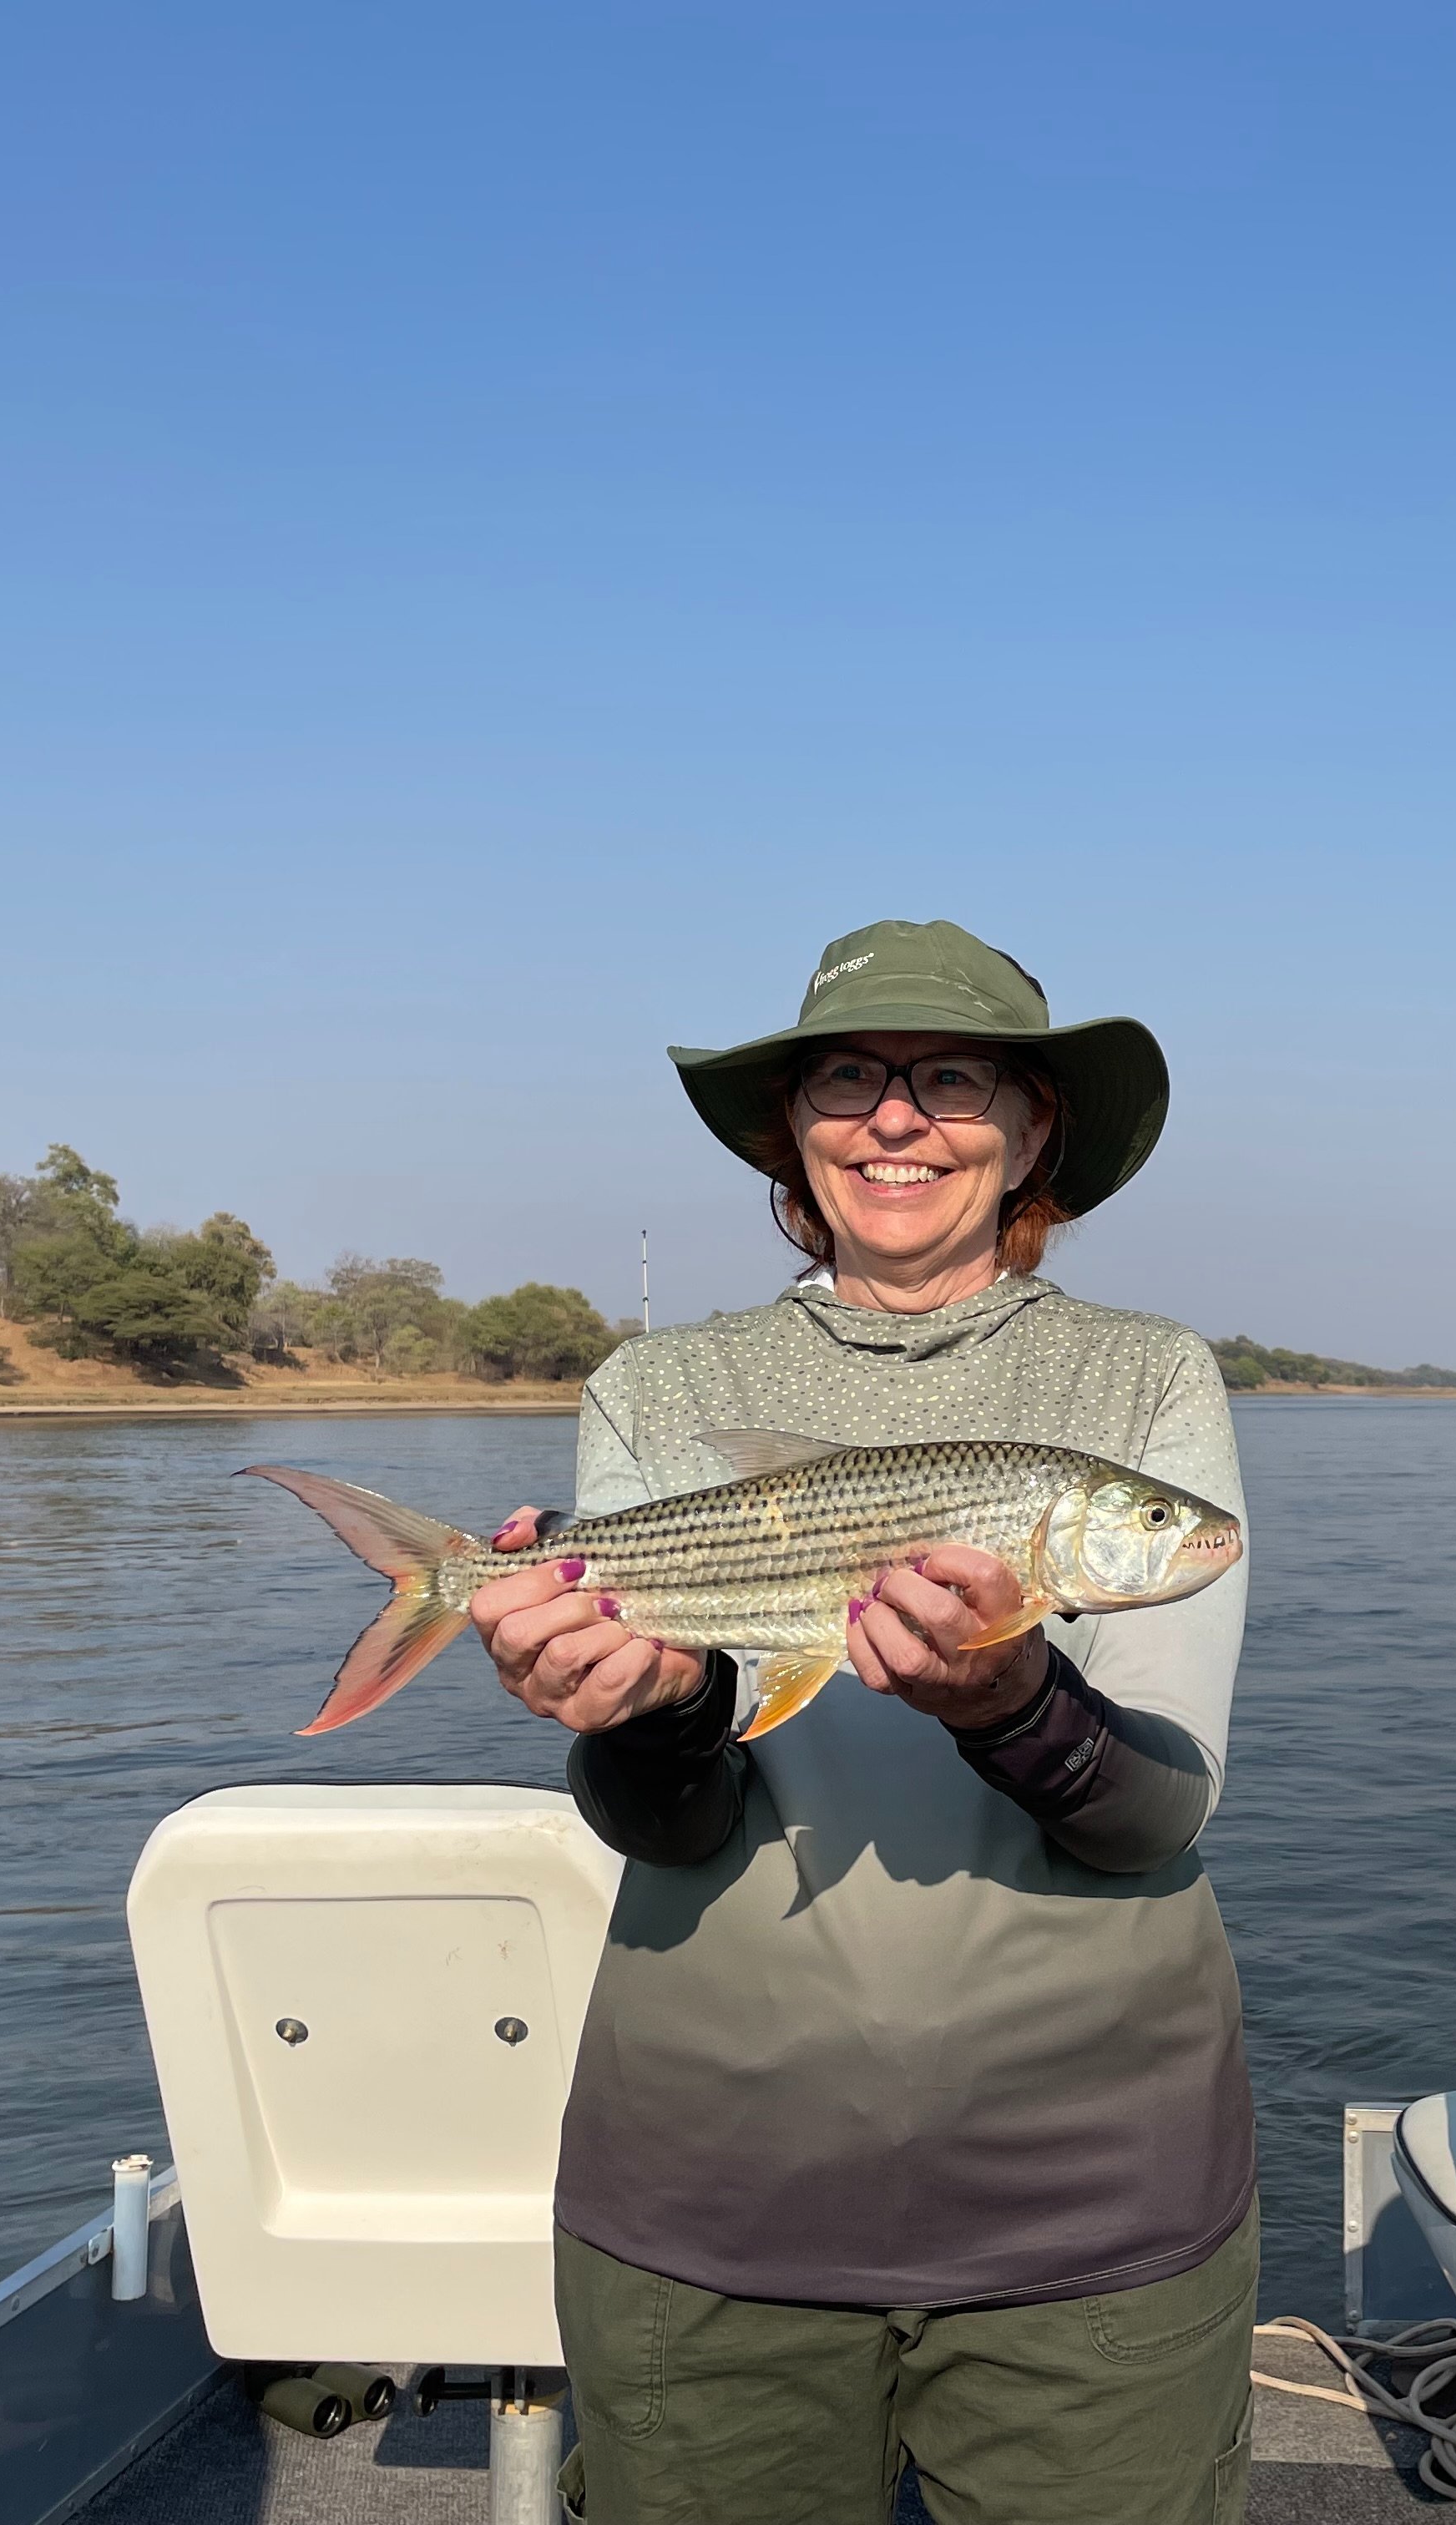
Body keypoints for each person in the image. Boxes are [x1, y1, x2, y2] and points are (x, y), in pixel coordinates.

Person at [469, 919, 1257, 2525]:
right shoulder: (656, 1388)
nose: (897, 1117)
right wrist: (660, 1702)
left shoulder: (1147, 1376)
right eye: (850, 1077)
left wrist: (1014, 1698)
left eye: (952, 1078)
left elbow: (1153, 1814)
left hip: (1090, 2184)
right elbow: (668, 1819)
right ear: (795, 1128)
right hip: (712, 2175)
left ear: (1033, 1128)